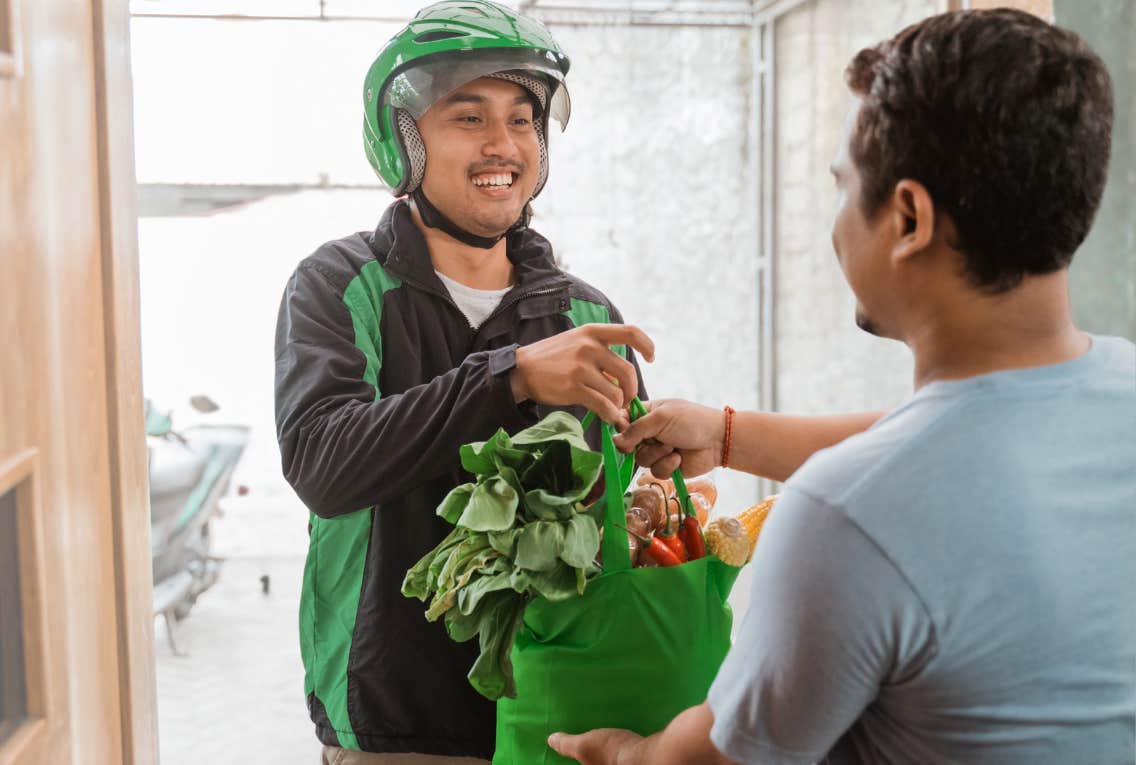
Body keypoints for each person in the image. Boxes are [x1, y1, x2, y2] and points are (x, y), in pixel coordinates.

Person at [550, 8, 1134, 764]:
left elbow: (720, 758)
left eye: (842, 185)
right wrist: (729, 434)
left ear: (910, 216)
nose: (834, 223)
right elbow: (953, 443)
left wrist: (623, 751)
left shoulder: (844, 520)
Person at [274, 2, 652, 761]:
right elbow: (322, 463)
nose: (502, 145)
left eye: (522, 119)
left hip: (561, 712)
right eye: (468, 118)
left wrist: (643, 505)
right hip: (396, 721)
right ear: (405, 140)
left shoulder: (584, 314)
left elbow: (616, 514)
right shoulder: (337, 286)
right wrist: (507, 378)